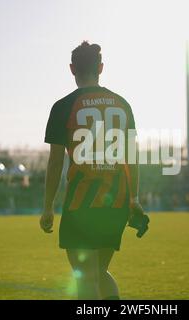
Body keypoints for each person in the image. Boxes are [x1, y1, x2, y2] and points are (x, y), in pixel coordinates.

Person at [39, 41, 148, 300]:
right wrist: (134, 198)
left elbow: (55, 162)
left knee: (86, 276)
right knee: (99, 272)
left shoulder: (63, 106)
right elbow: (131, 157)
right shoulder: (122, 104)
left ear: (72, 69)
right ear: (100, 67)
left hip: (82, 202)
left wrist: (48, 206)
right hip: (117, 202)